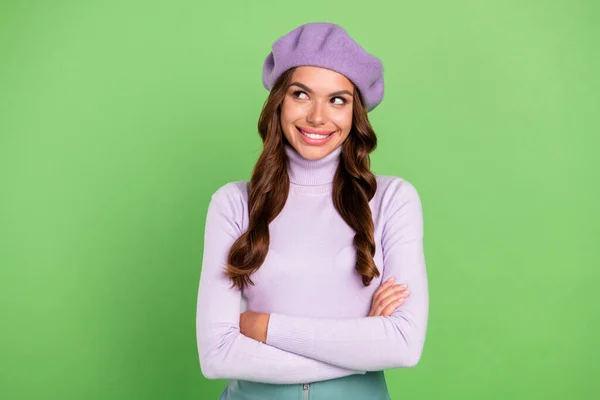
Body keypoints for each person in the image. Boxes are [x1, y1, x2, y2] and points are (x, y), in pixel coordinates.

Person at [196, 22, 429, 400]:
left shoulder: (392, 199)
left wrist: (262, 326)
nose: (318, 117)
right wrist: (361, 348)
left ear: (356, 113)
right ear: (279, 102)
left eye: (338, 100)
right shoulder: (234, 203)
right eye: (301, 94)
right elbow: (217, 355)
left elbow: (404, 344)